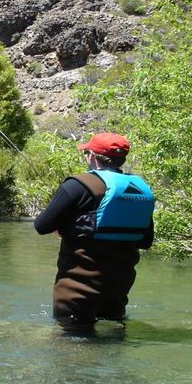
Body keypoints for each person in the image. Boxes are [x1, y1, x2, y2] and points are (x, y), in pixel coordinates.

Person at [34, 132, 155, 335]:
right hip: (118, 288)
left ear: (91, 155)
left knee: (71, 342)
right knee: (114, 342)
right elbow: (145, 241)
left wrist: (69, 226)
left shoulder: (77, 185)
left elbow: (41, 226)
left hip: (77, 289)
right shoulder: (140, 191)